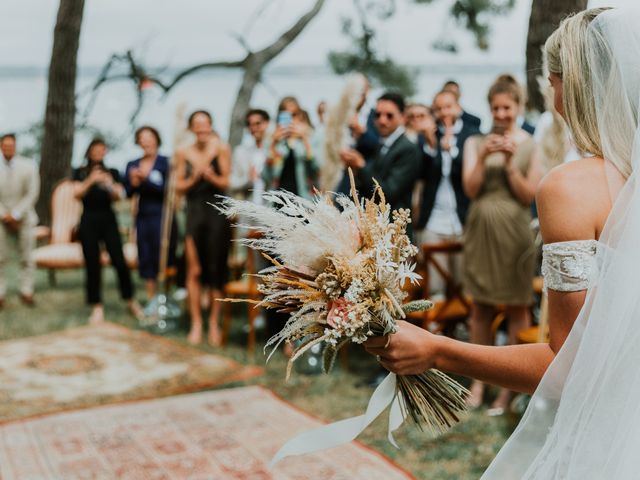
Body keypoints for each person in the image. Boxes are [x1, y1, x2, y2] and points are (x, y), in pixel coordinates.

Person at [366, 7, 640, 477]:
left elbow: (567, 368)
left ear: (569, 86)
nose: (552, 97)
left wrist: (437, 350)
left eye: (551, 81)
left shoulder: (571, 188)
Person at [461, 74, 544, 413]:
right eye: (495, 108)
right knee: (480, 306)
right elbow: (470, 189)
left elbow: (529, 196)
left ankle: (511, 386)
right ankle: (479, 382)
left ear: (518, 107)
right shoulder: (474, 142)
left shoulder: (531, 143)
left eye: (507, 108)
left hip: (514, 230)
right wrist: (484, 157)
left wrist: (510, 163)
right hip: (481, 226)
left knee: (516, 306)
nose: (501, 114)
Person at [414, 90, 480, 296]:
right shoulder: (427, 136)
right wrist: (433, 147)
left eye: (448, 106)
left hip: (462, 218)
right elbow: (421, 174)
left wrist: (452, 150)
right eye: (439, 108)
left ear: (458, 107)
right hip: (434, 219)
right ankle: (435, 324)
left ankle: (461, 327)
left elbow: (470, 174)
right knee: (436, 283)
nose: (444, 112)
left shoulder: (471, 134)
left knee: (463, 281)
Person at [175, 111, 231, 346]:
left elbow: (227, 182)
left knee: (216, 270)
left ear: (211, 126)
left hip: (217, 212)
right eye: (196, 126)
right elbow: (178, 186)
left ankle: (214, 324)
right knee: (194, 270)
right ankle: (196, 323)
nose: (201, 129)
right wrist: (194, 178)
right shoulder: (183, 152)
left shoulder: (222, 148)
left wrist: (210, 175)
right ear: (191, 129)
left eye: (205, 125)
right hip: (194, 213)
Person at [73, 138, 142, 324]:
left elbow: (119, 197)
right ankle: (96, 306)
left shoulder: (112, 172)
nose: (99, 153)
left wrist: (109, 184)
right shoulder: (79, 172)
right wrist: (91, 180)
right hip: (88, 220)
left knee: (119, 261)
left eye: (102, 150)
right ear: (89, 151)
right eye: (95, 149)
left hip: (108, 219)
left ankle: (130, 300)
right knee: (92, 263)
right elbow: (76, 194)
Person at [340, 92, 421, 215]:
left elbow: (388, 194)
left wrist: (361, 165)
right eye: (378, 115)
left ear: (403, 117)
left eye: (389, 115)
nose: (382, 120)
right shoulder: (382, 143)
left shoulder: (408, 149)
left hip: (395, 227)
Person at [124, 126, 176, 301]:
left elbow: (168, 191)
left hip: (162, 216)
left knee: (163, 255)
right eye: (141, 137)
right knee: (145, 255)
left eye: (149, 136)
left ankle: (166, 296)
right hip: (143, 216)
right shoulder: (132, 164)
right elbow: (129, 192)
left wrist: (146, 179)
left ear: (156, 139)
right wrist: (133, 182)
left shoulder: (166, 162)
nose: (145, 140)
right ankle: (152, 298)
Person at [0, 133, 39, 308]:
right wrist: (4, 214)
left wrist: (15, 214)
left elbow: (32, 193)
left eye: (11, 145)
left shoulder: (29, 165)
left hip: (24, 217)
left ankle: (26, 291)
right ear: (1, 146)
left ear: (15, 146)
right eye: (5, 145)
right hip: (1, 218)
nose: (8, 148)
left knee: (27, 256)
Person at [263, 96, 318, 199]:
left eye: (294, 115)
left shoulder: (312, 138)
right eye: (286, 116)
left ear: (300, 115)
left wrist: (305, 139)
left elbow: (316, 170)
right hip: (278, 203)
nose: (291, 120)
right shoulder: (272, 140)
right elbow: (266, 176)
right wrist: (273, 143)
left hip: (304, 201)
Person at [229, 108, 270, 204]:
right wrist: (248, 179)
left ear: (267, 123)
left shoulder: (276, 149)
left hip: (272, 209)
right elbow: (232, 182)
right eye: (250, 125)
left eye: (258, 123)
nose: (254, 128)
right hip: (248, 208)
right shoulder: (240, 152)